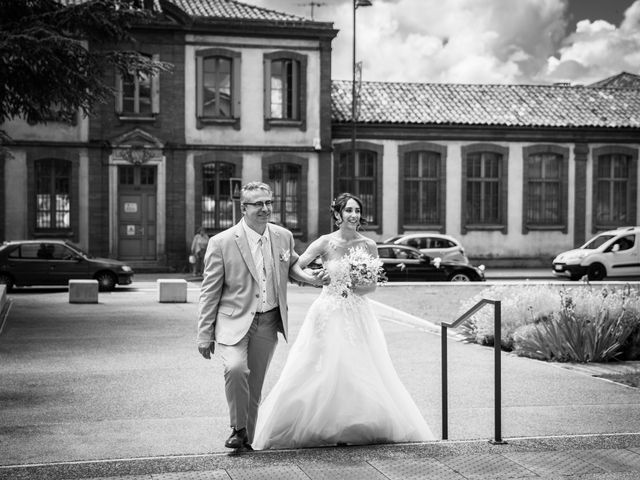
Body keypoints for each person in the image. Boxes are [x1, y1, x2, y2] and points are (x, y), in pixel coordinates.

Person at [252, 193, 435, 450]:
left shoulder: (369, 245)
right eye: (348, 210)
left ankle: (359, 424)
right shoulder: (325, 243)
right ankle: (318, 425)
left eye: (357, 211)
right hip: (328, 310)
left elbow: (372, 286)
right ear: (337, 215)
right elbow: (295, 266)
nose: (354, 215)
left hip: (358, 312)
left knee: (361, 367)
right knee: (322, 366)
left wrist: (354, 283)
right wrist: (313, 279)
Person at [196, 181, 325, 452]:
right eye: (258, 204)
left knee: (255, 386)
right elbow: (209, 292)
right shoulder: (221, 242)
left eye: (269, 203)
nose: (265, 209)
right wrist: (204, 333)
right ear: (243, 208)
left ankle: (246, 441)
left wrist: (313, 279)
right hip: (233, 320)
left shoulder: (283, 236)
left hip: (268, 321)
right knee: (235, 369)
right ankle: (237, 428)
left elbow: (292, 267)